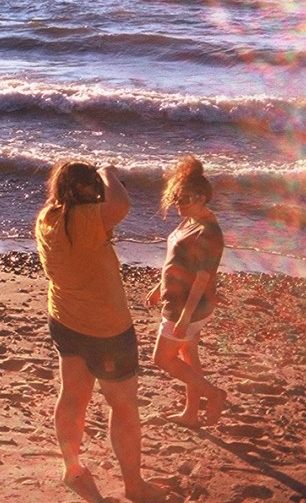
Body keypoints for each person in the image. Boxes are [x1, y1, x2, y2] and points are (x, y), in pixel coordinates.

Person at [35, 161, 163, 503]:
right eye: (94, 188)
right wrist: (108, 171)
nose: (99, 195)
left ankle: (72, 467)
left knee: (72, 396)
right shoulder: (85, 220)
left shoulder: (48, 217)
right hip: (106, 330)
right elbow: (120, 204)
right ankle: (134, 486)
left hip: (64, 320)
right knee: (124, 408)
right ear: (84, 190)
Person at [143, 155, 227, 427]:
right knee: (189, 357)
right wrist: (159, 286)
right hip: (178, 300)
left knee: (162, 358)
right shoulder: (189, 221)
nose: (178, 203)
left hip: (188, 306)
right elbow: (178, 261)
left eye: (185, 199)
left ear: (202, 198)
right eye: (176, 198)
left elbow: (202, 278)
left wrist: (185, 317)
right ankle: (191, 413)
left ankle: (214, 395)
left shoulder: (208, 232)